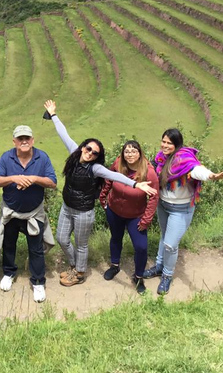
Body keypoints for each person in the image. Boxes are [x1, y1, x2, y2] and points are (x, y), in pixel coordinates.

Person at [43, 100, 156, 288]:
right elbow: (63, 133)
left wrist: (136, 185)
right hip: (67, 207)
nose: (90, 153)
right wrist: (53, 115)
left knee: (81, 244)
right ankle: (74, 265)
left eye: (95, 153)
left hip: (83, 212)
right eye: (88, 149)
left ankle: (79, 272)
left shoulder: (96, 169)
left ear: (97, 157)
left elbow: (115, 176)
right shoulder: (73, 152)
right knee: (62, 239)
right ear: (82, 147)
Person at [142, 129, 223, 295]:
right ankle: (159, 266)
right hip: (163, 204)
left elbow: (196, 170)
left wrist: (211, 176)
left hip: (181, 209)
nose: (165, 145)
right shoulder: (161, 158)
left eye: (169, 143)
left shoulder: (184, 158)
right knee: (164, 236)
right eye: (163, 141)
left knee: (170, 244)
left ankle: (167, 275)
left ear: (177, 144)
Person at [0, 124, 57, 303]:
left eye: (27, 138)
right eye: (20, 139)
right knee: (9, 244)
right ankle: (9, 273)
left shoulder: (42, 157)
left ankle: (38, 282)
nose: (24, 141)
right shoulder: (7, 158)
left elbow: (52, 182)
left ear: (32, 140)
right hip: (11, 212)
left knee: (36, 249)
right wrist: (13, 178)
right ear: (14, 141)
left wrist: (34, 179)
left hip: (34, 213)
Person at [99, 140, 159, 294]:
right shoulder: (118, 164)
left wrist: (146, 219)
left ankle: (138, 277)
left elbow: (154, 197)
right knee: (115, 238)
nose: (130, 154)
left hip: (136, 216)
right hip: (114, 210)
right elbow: (108, 178)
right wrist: (103, 196)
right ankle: (114, 266)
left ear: (140, 153)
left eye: (133, 151)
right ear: (122, 154)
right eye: (127, 151)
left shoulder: (148, 171)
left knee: (141, 247)